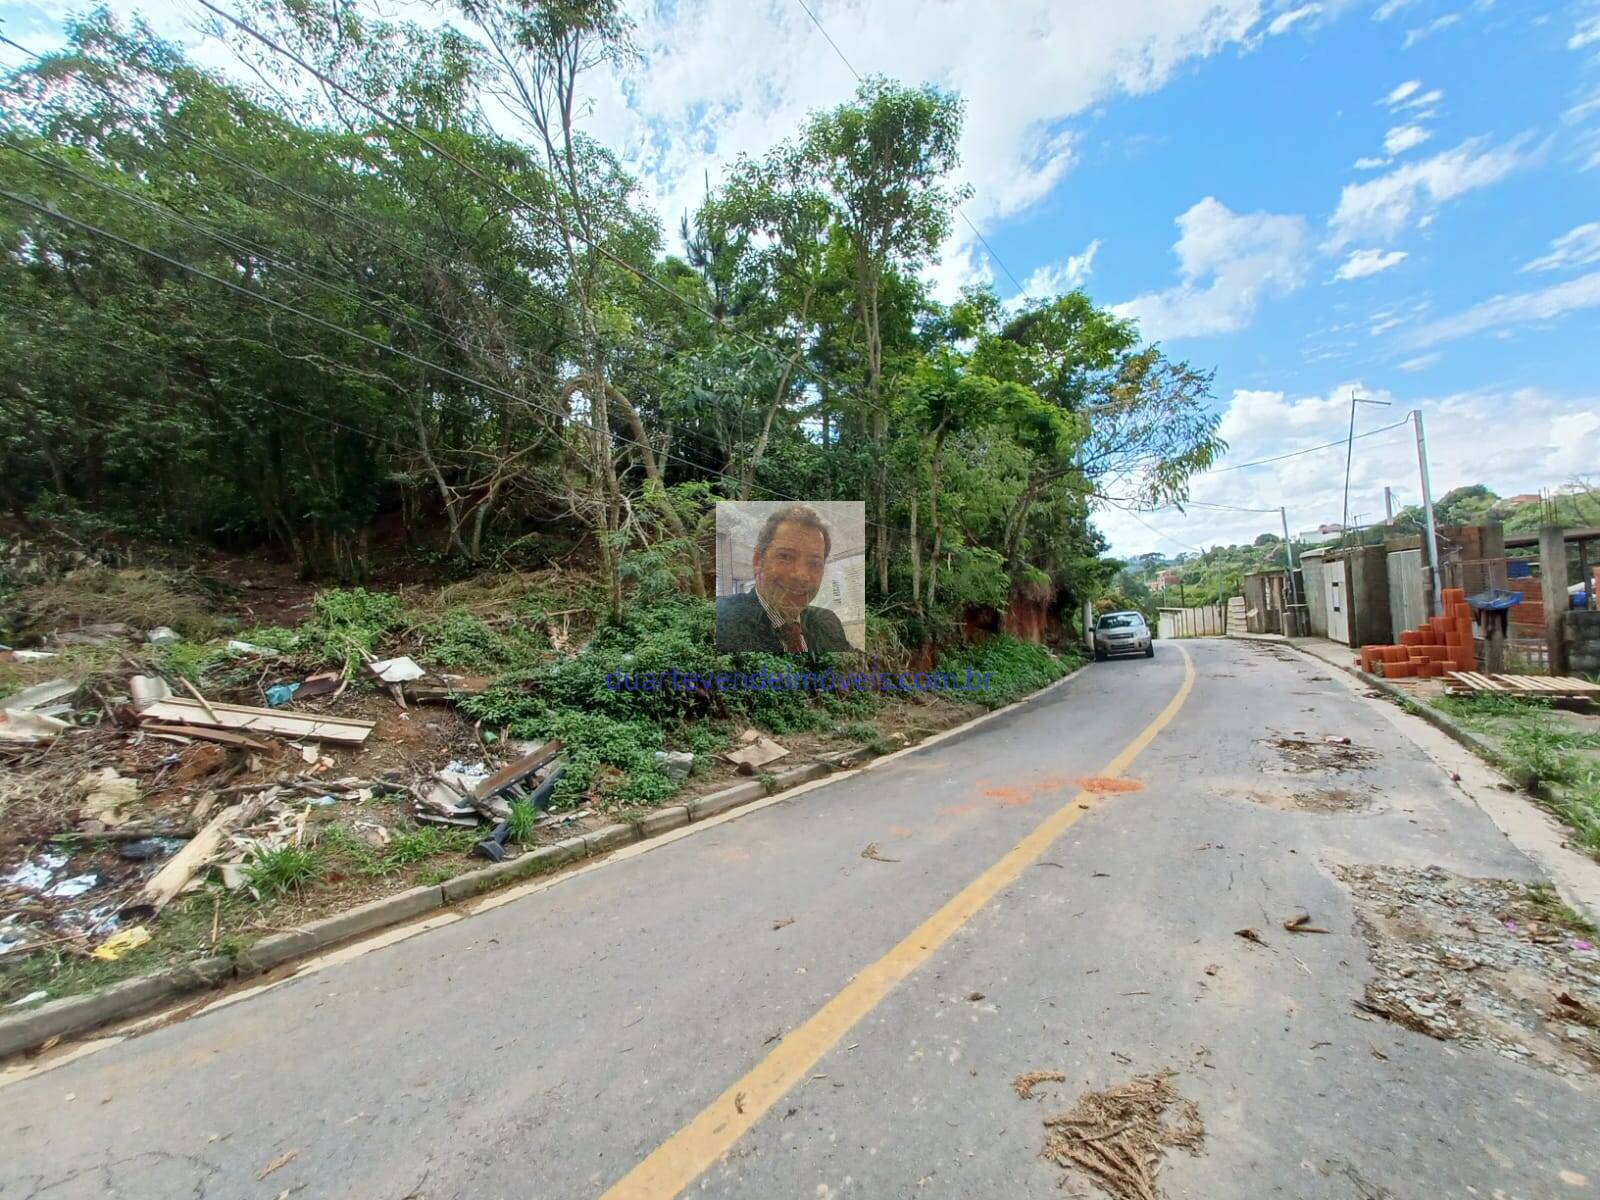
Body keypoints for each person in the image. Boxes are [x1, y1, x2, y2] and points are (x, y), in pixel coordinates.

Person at [716, 504, 853, 653]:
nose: (801, 575)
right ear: (758, 561)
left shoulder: (827, 623)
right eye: (786, 557)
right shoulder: (721, 619)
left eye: (814, 563)